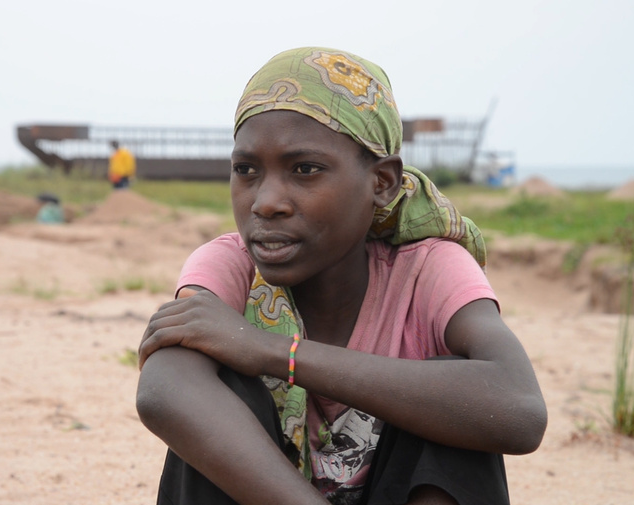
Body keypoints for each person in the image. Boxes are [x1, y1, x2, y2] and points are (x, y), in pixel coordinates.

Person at [136, 47, 547, 505]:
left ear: (382, 182)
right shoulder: (231, 264)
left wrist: (269, 350)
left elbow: (519, 409)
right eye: (246, 170)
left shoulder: (428, 269)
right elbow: (164, 389)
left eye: (305, 169)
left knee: (459, 396)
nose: (265, 202)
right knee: (215, 389)